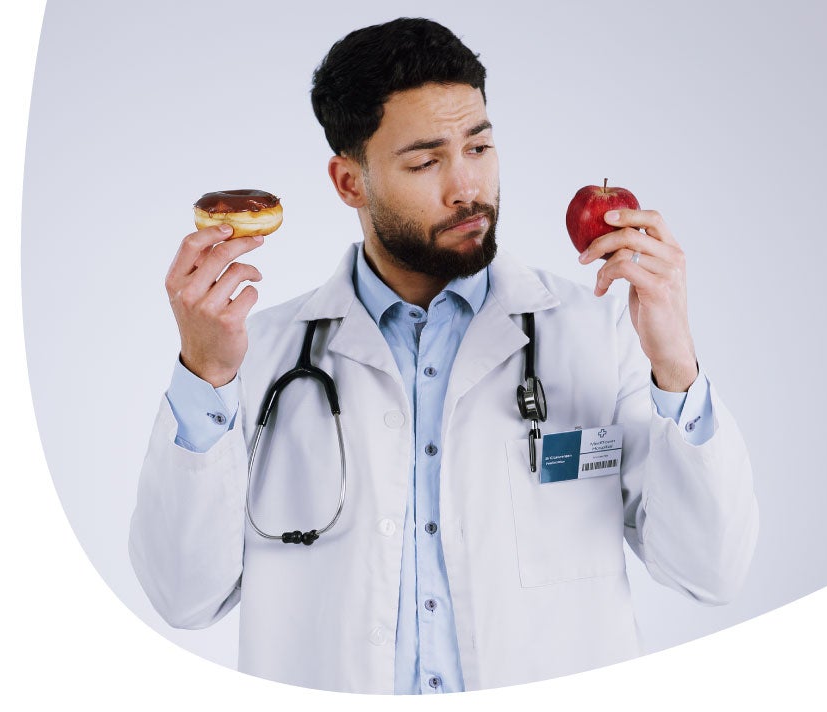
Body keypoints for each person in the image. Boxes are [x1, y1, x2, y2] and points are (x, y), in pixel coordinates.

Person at [129, 17, 758, 695]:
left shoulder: (600, 334)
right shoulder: (256, 354)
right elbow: (182, 598)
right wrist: (207, 376)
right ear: (349, 182)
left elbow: (710, 571)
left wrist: (677, 366)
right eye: (426, 161)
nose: (467, 187)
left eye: (480, 147)